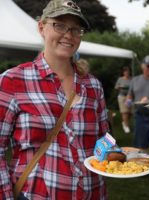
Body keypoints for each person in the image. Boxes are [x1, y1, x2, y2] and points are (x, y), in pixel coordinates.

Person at [0, 0, 110, 199]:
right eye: (59, 25)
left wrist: (123, 156)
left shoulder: (93, 86)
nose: (69, 35)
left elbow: (103, 140)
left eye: (76, 29)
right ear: (42, 27)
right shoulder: (12, 81)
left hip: (92, 193)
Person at [115, 66, 132, 133]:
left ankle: (124, 122)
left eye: (128, 71)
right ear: (123, 72)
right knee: (124, 112)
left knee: (130, 112)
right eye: (125, 71)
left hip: (129, 96)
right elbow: (116, 87)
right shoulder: (120, 79)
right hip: (121, 96)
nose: (127, 72)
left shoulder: (132, 79)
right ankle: (126, 127)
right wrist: (119, 87)